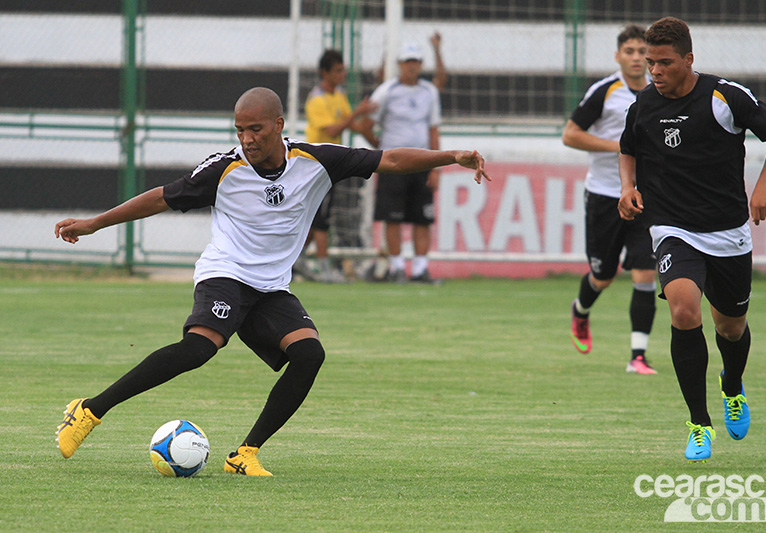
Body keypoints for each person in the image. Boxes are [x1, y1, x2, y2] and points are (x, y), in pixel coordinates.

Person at [54, 87, 491, 476]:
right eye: (240, 129)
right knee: (199, 348)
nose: (247, 138)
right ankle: (89, 410)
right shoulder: (223, 169)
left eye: (256, 129)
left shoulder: (317, 160)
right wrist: (94, 224)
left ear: (279, 125)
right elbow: (160, 199)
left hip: (270, 288)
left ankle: (245, 453)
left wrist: (451, 156)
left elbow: (390, 159)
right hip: (225, 273)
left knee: (309, 354)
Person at [618, 18, 766, 462]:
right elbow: (628, 149)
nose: (654, 70)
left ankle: (732, 387)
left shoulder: (725, 96)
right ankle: (699, 424)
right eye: (651, 62)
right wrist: (627, 187)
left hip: (728, 231)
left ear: (688, 59)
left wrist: (764, 187)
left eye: (664, 62)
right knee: (682, 309)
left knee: (730, 328)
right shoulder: (643, 104)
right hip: (672, 227)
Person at [563, 24, 658, 375]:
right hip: (605, 195)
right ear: (618, 56)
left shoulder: (661, 93)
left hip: (644, 197)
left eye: (642, 52)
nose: (636, 58)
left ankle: (638, 356)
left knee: (645, 272)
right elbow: (570, 135)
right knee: (602, 276)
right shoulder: (605, 91)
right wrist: (619, 147)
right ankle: (581, 310)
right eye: (629, 52)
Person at [364, 41, 442, 283]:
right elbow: (367, 123)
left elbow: (433, 130)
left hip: (422, 162)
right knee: (393, 216)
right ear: (400, 64)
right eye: (408, 61)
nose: (412, 66)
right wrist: (382, 151)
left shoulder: (429, 92)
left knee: (423, 217)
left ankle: (420, 269)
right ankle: (396, 267)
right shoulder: (387, 91)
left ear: (421, 64)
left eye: (415, 61)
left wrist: (435, 168)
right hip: (394, 164)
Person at [301, 49, 376, 283]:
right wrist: (358, 112)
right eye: (338, 70)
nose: (342, 74)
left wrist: (374, 133)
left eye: (343, 70)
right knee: (322, 218)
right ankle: (324, 269)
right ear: (325, 73)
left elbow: (352, 125)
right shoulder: (316, 100)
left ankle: (297, 259)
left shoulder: (338, 95)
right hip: (317, 165)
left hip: (332, 165)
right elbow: (333, 129)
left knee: (317, 215)